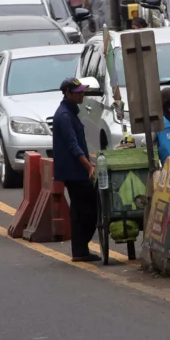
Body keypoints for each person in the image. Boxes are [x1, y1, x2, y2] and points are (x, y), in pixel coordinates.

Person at [52, 76, 98, 262]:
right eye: (79, 93)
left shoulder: (71, 113)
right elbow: (73, 146)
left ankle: (81, 250)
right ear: (68, 93)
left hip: (77, 170)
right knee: (85, 210)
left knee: (82, 209)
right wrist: (88, 167)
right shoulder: (64, 116)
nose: (82, 95)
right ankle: (80, 250)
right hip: (74, 172)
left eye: (83, 92)